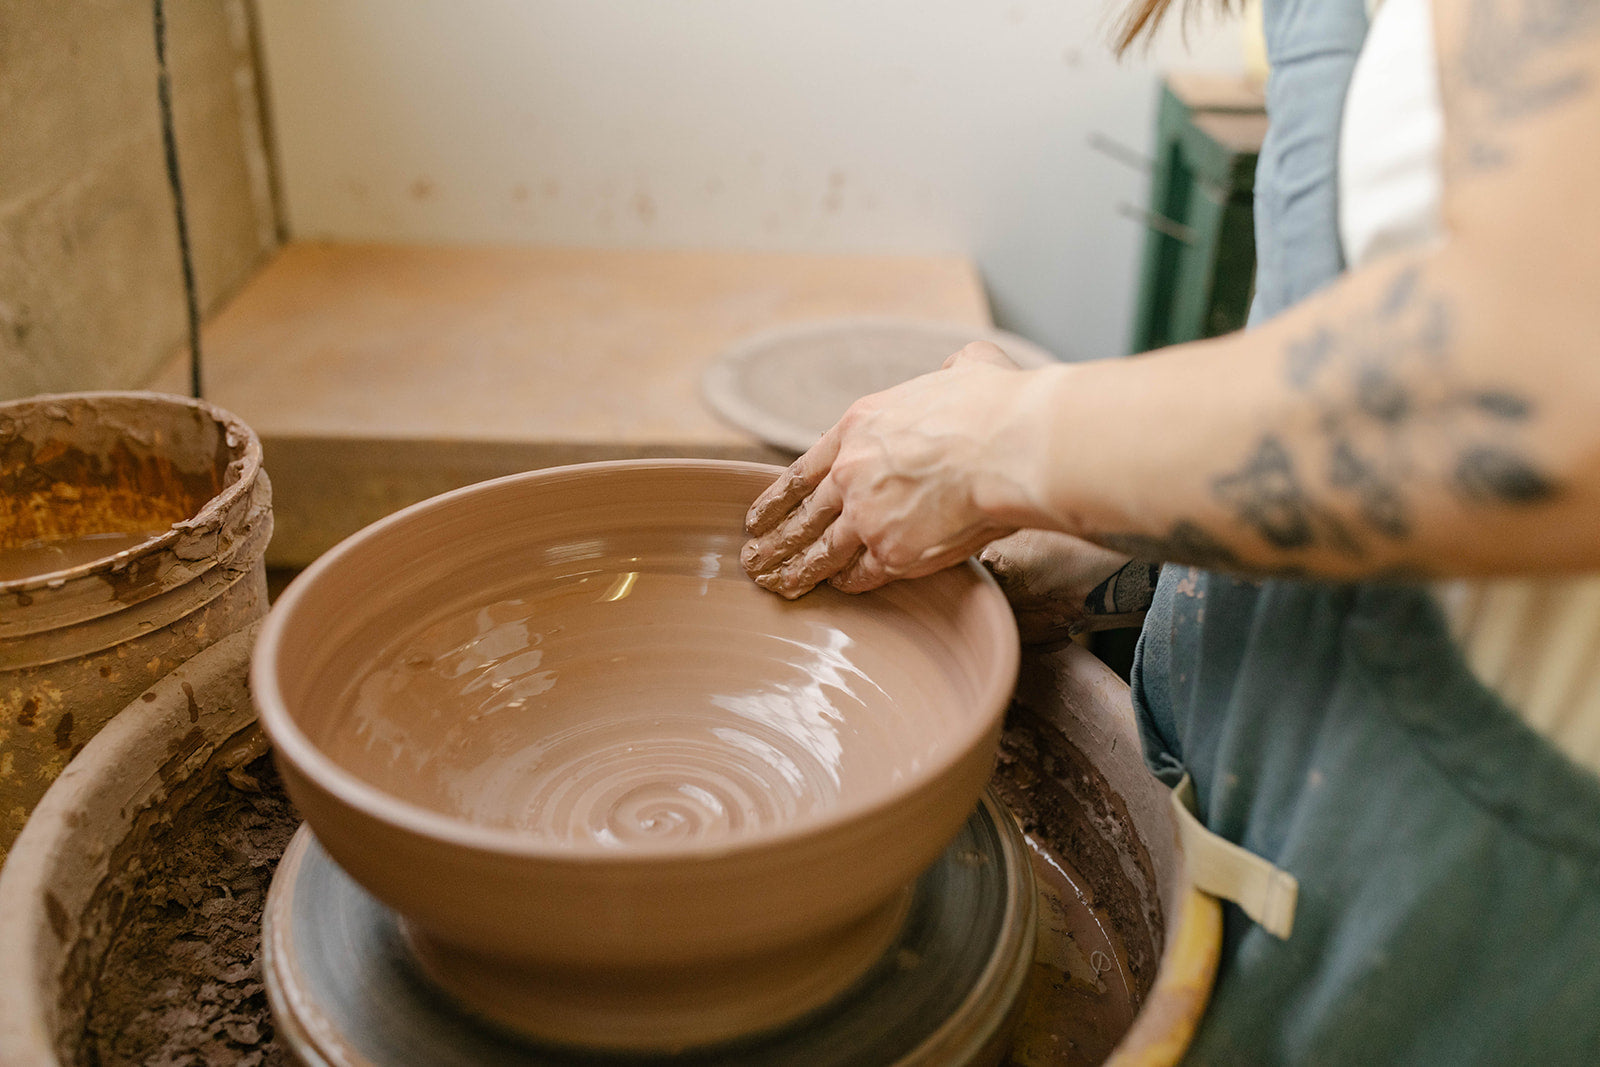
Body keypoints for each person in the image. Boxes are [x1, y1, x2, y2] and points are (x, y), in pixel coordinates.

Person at [741, 0, 1600, 1060]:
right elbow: (1368, 364)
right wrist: (1118, 530)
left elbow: (1547, 403)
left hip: (1478, 910)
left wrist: (998, 444)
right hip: (1294, 815)